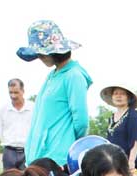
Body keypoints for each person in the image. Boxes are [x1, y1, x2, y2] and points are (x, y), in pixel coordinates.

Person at [18, 20, 91, 165]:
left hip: (56, 159)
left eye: (41, 53)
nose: (39, 57)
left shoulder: (73, 75)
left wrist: (68, 144)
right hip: (39, 156)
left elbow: (81, 121)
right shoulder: (53, 75)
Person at [101, 85, 137, 172]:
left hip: (129, 164)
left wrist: (131, 162)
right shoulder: (111, 118)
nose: (118, 96)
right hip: (114, 164)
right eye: (115, 93)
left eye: (122, 94)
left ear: (128, 97)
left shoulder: (132, 115)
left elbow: (136, 141)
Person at [0, 78, 35, 170]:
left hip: (27, 151)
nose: (13, 95)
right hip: (9, 152)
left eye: (16, 92)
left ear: (23, 91)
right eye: (11, 92)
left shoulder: (33, 108)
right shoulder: (3, 110)